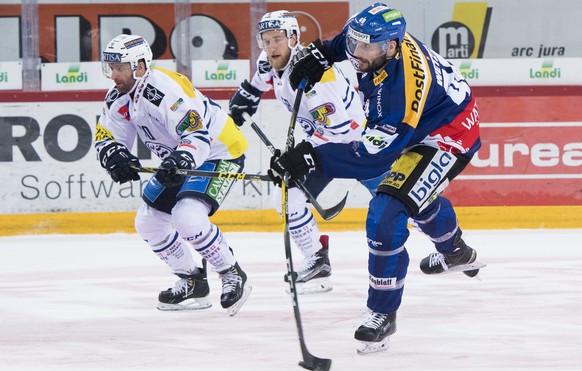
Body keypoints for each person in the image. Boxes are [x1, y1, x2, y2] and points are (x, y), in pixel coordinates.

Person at [269, 3, 485, 353]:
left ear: (390, 47)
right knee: (414, 195)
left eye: (366, 47)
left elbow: (372, 158)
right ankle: (455, 250)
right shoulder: (379, 43)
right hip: (426, 117)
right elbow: (351, 42)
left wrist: (311, 158)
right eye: (355, 44)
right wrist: (325, 51)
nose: (356, 53)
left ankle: (382, 312)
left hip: (449, 135)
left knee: (387, 210)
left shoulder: (400, 92)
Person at [228, 10, 385, 294]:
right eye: (265, 40)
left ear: (294, 38)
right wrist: (248, 94)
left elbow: (340, 133)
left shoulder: (316, 82)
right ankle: (316, 260)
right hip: (328, 140)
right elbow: (262, 77)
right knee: (287, 196)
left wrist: (303, 154)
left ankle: (450, 244)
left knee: (401, 204)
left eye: (278, 39)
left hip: (359, 145)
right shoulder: (269, 60)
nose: (271, 46)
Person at [95, 34, 251, 316]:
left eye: (120, 67)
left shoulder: (165, 89)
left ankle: (231, 272)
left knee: (187, 217)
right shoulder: (118, 97)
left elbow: (197, 135)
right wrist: (113, 154)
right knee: (148, 223)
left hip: (219, 152)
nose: (114, 74)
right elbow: (107, 135)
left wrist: (181, 158)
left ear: (140, 66)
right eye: (111, 67)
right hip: (181, 158)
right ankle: (192, 280)